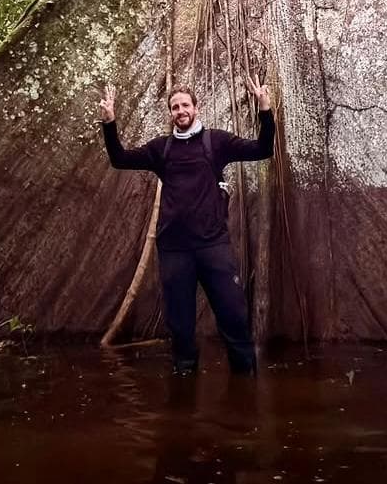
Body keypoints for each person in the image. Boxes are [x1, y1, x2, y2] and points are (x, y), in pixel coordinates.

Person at [99, 76, 275, 376]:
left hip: (213, 246)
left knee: (232, 315)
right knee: (180, 324)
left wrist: (265, 110)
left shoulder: (216, 142)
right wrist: (110, 123)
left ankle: (245, 385)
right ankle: (184, 385)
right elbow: (120, 159)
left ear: (197, 108)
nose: (180, 110)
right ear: (171, 113)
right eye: (174, 107)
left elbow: (262, 149)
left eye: (185, 105)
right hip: (174, 249)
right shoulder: (161, 149)